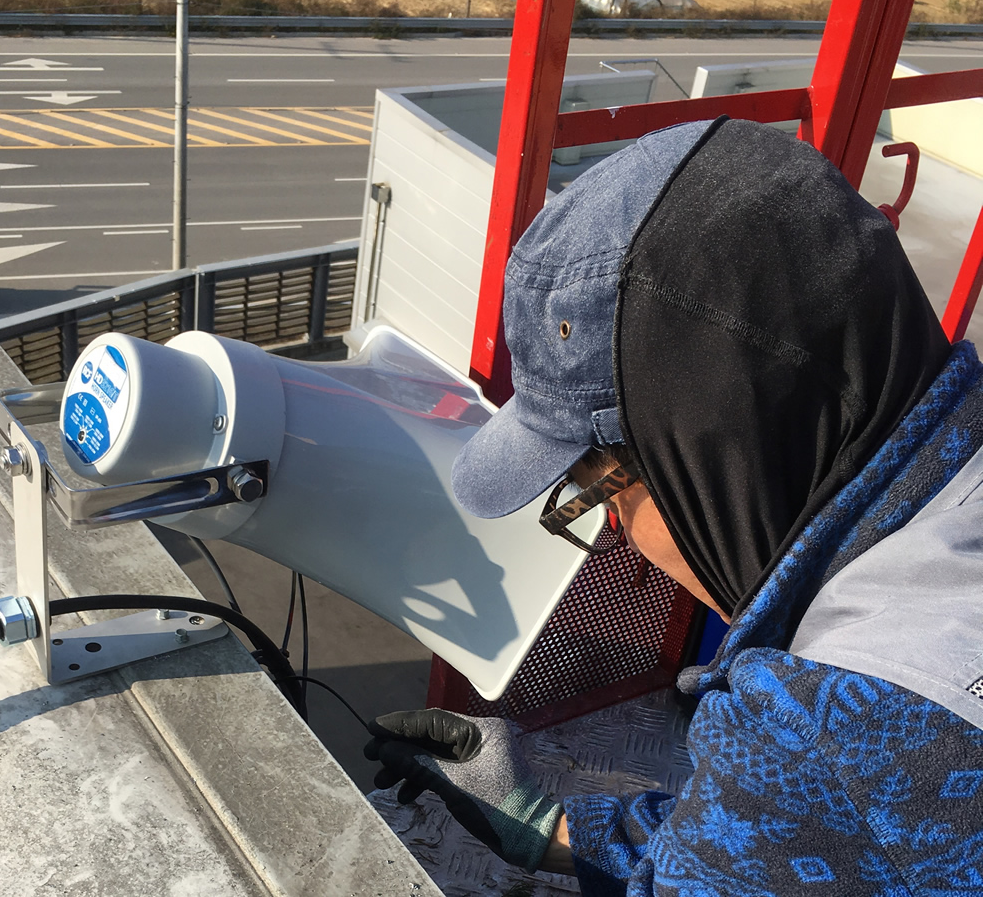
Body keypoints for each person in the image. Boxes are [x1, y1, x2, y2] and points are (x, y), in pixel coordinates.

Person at [364, 116, 983, 895]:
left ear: (713, 451)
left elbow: (805, 818)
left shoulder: (822, 734)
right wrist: (542, 822)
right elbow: (782, 849)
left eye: (601, 492)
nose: (617, 535)